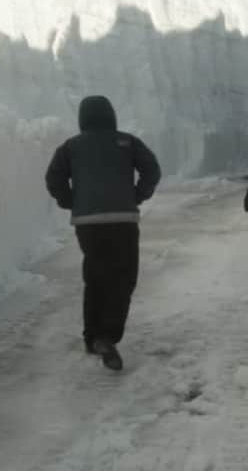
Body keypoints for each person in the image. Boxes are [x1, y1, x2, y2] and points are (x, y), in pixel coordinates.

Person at [45, 96, 161, 371]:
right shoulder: (128, 142)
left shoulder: (70, 147)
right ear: (111, 116)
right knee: (122, 278)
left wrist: (70, 200)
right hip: (123, 220)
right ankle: (108, 335)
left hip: (88, 224)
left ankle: (92, 337)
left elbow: (53, 178)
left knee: (96, 277)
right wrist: (137, 194)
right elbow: (152, 170)